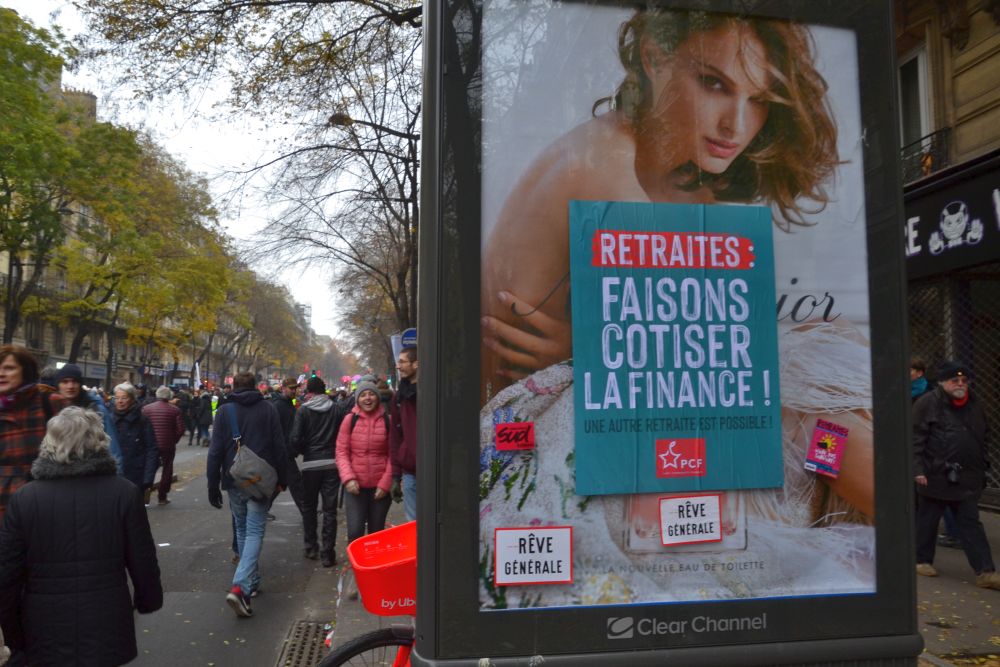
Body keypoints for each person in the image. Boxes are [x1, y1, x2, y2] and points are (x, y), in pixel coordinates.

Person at [476, 8, 875, 608]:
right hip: (542, 440)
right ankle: (893, 529)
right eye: (713, 82)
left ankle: (886, 531)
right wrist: (588, 349)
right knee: (821, 411)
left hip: (607, 409)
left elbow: (694, 328)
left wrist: (585, 343)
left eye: (759, 99)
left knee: (822, 376)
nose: (736, 124)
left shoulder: (681, 175)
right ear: (655, 59)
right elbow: (696, 340)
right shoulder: (602, 163)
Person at [0, 407, 162, 666]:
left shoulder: (25, 497)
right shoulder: (124, 493)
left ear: (50, 443)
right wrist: (148, 597)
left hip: (43, 619)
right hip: (106, 615)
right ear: (99, 441)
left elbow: (8, 568)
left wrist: (9, 623)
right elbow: (141, 554)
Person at [913, 361, 1000, 590]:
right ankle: (922, 560)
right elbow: (915, 439)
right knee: (928, 520)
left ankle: (986, 571)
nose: (960, 384)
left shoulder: (975, 404)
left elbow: (984, 436)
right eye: (955, 380)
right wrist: (918, 470)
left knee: (971, 523)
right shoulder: (927, 403)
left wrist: (983, 466)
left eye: (964, 380)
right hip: (935, 475)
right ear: (943, 382)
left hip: (967, 477)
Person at [206, 371, 287, 617]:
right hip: (260, 481)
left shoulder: (224, 411)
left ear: (233, 387)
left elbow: (215, 451)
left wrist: (212, 483)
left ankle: (249, 584)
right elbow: (279, 445)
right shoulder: (268, 409)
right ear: (255, 387)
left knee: (242, 529)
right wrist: (283, 478)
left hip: (234, 478)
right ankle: (241, 586)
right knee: (253, 531)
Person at [0, 345, 66, 523]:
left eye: (9, 368)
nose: (1, 373)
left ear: (25, 371)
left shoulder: (50, 402)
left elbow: (77, 455)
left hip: (44, 507)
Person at [289, 376, 341, 567]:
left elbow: (295, 439)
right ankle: (328, 553)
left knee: (309, 507)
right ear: (324, 390)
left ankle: (311, 546)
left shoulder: (303, 411)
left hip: (311, 464)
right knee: (329, 510)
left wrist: (301, 451)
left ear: (309, 392)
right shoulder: (336, 409)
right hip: (332, 463)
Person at [337, 379, 393, 544]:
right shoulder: (349, 420)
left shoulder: (387, 420)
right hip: (355, 488)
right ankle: (358, 569)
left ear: (377, 397)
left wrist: (385, 483)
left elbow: (393, 455)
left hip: (380, 489)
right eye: (363, 395)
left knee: (376, 535)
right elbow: (341, 452)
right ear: (357, 399)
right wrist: (348, 478)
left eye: (371, 394)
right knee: (355, 533)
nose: (367, 398)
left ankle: (373, 569)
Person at [55, 362, 123, 472]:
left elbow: (113, 450)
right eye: (65, 382)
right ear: (58, 384)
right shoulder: (50, 409)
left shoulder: (97, 410)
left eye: (74, 381)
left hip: (91, 475)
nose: (70, 386)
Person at [111, 382, 159, 503]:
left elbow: (152, 449)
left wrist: (148, 478)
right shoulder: (109, 419)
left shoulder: (142, 420)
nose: (120, 401)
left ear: (132, 399)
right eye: (117, 398)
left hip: (136, 476)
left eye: (124, 398)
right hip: (112, 476)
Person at [143, 386, 185, 506]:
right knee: (167, 470)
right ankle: (162, 496)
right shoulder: (175, 410)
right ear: (169, 397)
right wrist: (174, 439)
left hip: (149, 445)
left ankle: (146, 489)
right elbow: (180, 429)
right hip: (167, 444)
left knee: (149, 468)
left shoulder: (146, 409)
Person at [390, 347, 418, 521]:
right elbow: (395, 437)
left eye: (402, 361)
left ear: (417, 364)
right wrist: (395, 476)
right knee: (413, 526)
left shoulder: (434, 393)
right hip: (410, 472)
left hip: (435, 470)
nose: (398, 366)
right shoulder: (399, 398)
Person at [272, 377, 304, 511]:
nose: (294, 391)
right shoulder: (279, 406)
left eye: (295, 388)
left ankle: (262, 508)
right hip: (283, 452)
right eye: (291, 388)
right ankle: (306, 510)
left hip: (286, 451)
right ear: (283, 388)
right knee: (295, 482)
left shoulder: (289, 404)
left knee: (281, 483)